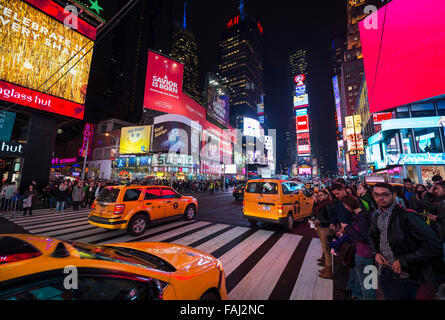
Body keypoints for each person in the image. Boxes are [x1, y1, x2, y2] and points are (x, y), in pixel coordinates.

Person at [369, 183, 443, 300]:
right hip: (385, 271)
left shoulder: (407, 216)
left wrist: (404, 260)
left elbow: (433, 246)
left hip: (406, 275)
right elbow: (372, 237)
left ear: (394, 195)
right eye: (377, 195)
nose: (380, 198)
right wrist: (376, 253)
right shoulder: (376, 215)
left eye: (385, 195)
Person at [340, 195, 376, 300]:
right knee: (370, 284)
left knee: (367, 286)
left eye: (345, 206)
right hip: (370, 253)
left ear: (349, 205)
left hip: (363, 254)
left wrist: (347, 228)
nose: (345, 208)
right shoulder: (365, 214)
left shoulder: (361, 217)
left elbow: (364, 238)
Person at [312, 189, 333, 279]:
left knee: (326, 248)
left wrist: (320, 220)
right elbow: (314, 212)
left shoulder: (327, 205)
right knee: (324, 247)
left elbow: (331, 219)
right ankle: (326, 267)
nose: (319, 197)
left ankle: (329, 271)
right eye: (318, 196)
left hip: (326, 228)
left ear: (326, 195)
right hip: (320, 227)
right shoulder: (320, 204)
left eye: (321, 195)